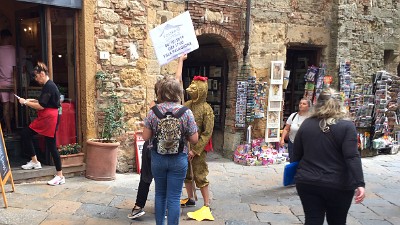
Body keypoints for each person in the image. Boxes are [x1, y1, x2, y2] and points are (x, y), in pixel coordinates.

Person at [292, 88, 365, 225]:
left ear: (318, 104)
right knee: (337, 221)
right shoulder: (347, 126)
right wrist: (359, 183)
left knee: (312, 220)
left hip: (308, 181)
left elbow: (296, 154)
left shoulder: (307, 124)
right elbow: (352, 157)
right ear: (340, 104)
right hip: (338, 183)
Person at [128, 55, 187, 220]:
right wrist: (180, 61)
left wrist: (145, 125)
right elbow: (177, 81)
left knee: (147, 177)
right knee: (170, 185)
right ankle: (168, 208)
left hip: (153, 149)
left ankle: (139, 206)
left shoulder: (154, 108)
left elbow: (147, 133)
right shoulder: (179, 109)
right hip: (174, 153)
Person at [142, 75, 198, 225]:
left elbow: (146, 136)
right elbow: (194, 139)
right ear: (178, 92)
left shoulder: (153, 111)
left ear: (160, 92)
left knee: (160, 194)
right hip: (179, 159)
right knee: (174, 197)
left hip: (158, 158)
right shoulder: (186, 112)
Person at [19, 62, 65, 186]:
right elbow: (42, 101)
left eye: (36, 76)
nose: (35, 79)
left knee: (51, 146)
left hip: (49, 118)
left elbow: (40, 105)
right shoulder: (47, 85)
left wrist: (25, 103)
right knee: (26, 133)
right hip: (47, 117)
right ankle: (35, 161)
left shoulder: (49, 86)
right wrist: (29, 100)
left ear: (42, 74)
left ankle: (60, 175)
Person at [181, 75, 215, 221]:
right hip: (186, 146)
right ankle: (190, 198)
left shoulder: (207, 109)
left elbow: (207, 132)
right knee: (187, 173)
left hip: (198, 149)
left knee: (200, 174)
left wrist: (195, 150)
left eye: (195, 88)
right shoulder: (187, 105)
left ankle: (207, 204)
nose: (191, 90)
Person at [0, 29, 16, 134]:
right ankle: (10, 128)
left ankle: (8, 129)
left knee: (5, 106)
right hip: (14, 83)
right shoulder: (15, 50)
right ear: (10, 37)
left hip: (2, 83)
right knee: (12, 107)